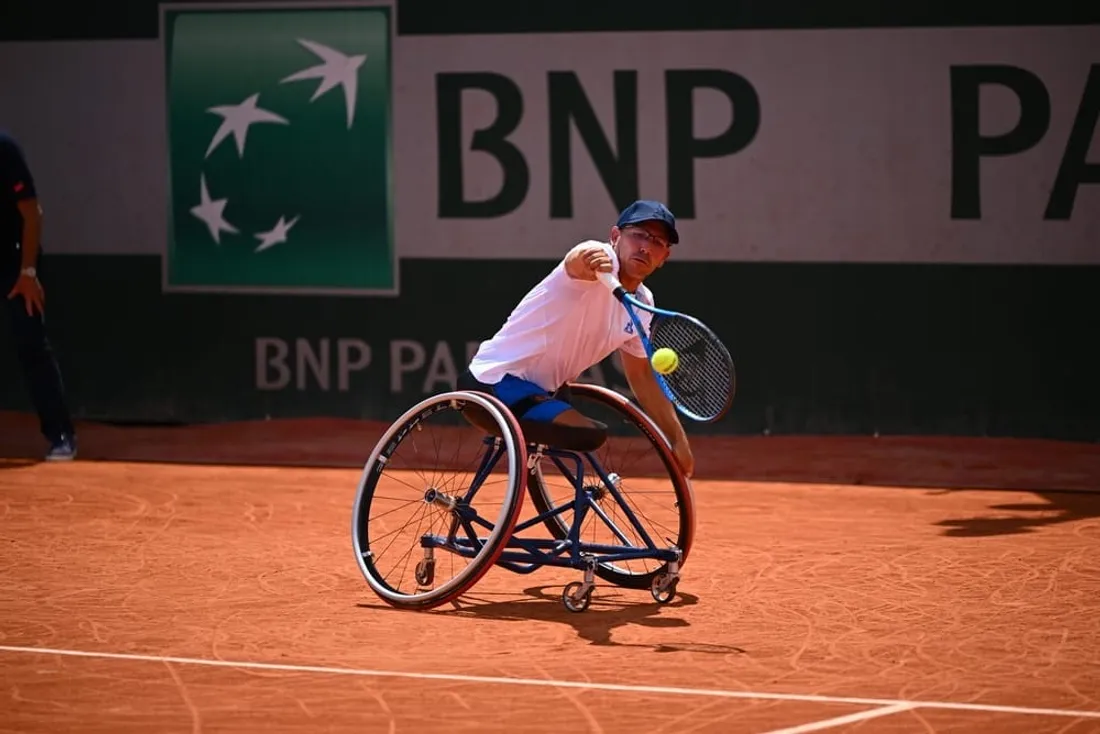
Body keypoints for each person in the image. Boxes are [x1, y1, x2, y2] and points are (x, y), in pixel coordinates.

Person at [458, 199, 694, 478]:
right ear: (616, 236)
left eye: (657, 241)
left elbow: (641, 376)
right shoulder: (595, 261)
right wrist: (591, 257)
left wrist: (677, 439)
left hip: (544, 392)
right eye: (638, 235)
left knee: (581, 428)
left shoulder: (642, 302)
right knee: (587, 434)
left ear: (664, 257)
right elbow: (579, 258)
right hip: (493, 383)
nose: (645, 246)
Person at [0, 129, 77, 461]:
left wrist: (28, 273)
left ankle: (61, 434)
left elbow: (32, 214)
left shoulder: (5, 151)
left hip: (15, 263)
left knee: (31, 344)